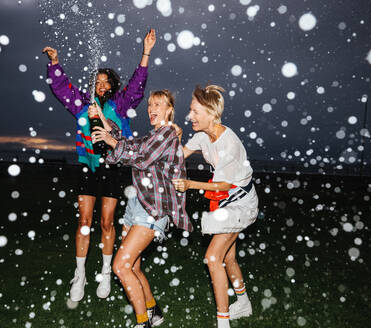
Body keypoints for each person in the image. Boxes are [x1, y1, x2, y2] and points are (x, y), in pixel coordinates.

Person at [42, 29, 156, 302]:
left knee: (107, 223)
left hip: (112, 169)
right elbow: (61, 88)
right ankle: (79, 274)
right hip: (86, 165)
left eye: (106, 82)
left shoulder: (120, 103)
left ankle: (106, 271)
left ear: (113, 86)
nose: (101, 86)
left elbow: (137, 86)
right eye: (98, 81)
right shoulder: (82, 102)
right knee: (84, 222)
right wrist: (55, 64)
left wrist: (146, 53)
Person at [91, 90, 192, 328]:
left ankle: (142, 323)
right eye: (149, 104)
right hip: (138, 204)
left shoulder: (167, 134)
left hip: (153, 208)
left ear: (169, 109)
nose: (151, 108)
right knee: (133, 266)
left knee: (121, 266)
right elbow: (129, 145)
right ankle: (153, 312)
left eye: (158, 104)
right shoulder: (154, 134)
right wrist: (103, 120)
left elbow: (142, 157)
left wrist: (110, 140)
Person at [172, 85, 258, 328]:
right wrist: (175, 137)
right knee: (227, 257)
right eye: (190, 111)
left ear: (212, 113)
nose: (190, 116)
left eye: (196, 111)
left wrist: (189, 184)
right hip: (227, 201)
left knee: (212, 258)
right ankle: (243, 303)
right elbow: (178, 155)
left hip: (241, 203)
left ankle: (223, 322)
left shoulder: (228, 144)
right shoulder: (202, 136)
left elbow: (221, 185)